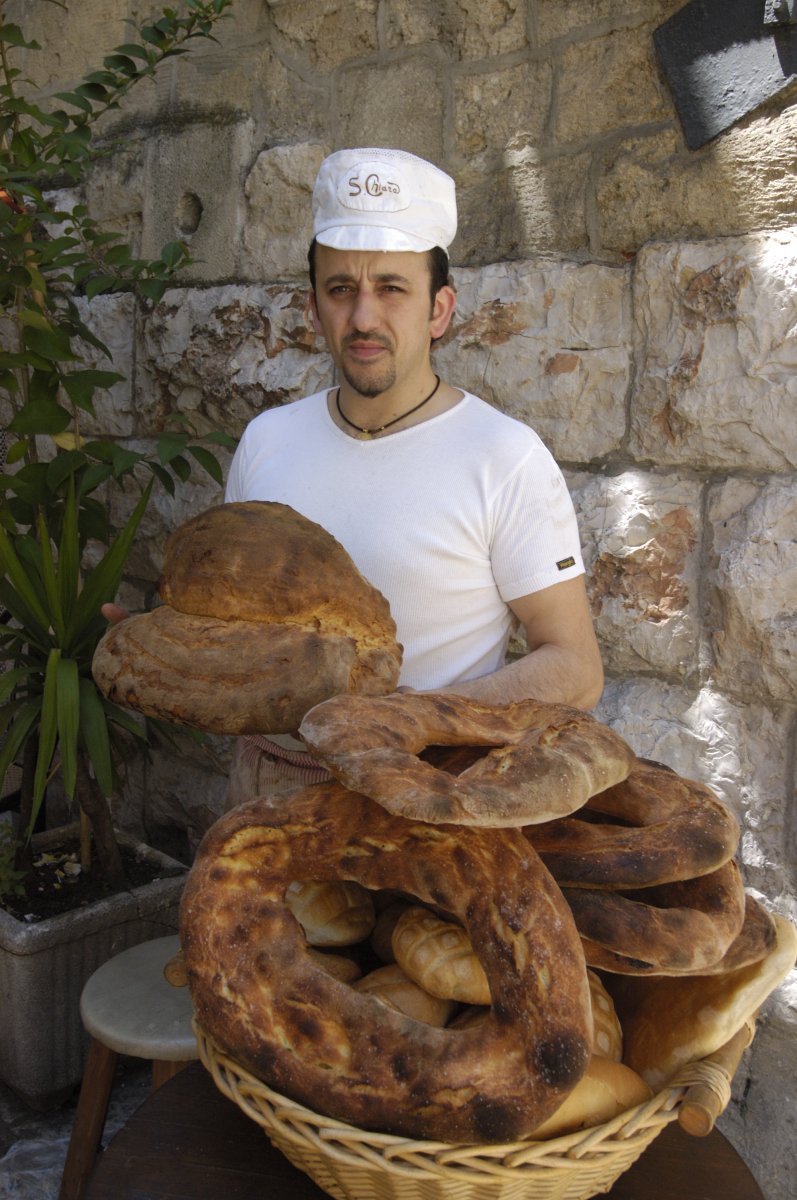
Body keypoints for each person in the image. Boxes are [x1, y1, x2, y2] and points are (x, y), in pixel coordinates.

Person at [105, 147, 603, 804]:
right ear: (313, 309)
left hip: (423, 793)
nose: (364, 317)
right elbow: (251, 632)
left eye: (392, 288)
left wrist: (413, 716)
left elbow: (574, 668)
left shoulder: (503, 457)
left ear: (439, 310)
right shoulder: (267, 440)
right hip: (265, 789)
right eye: (342, 289)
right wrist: (168, 658)